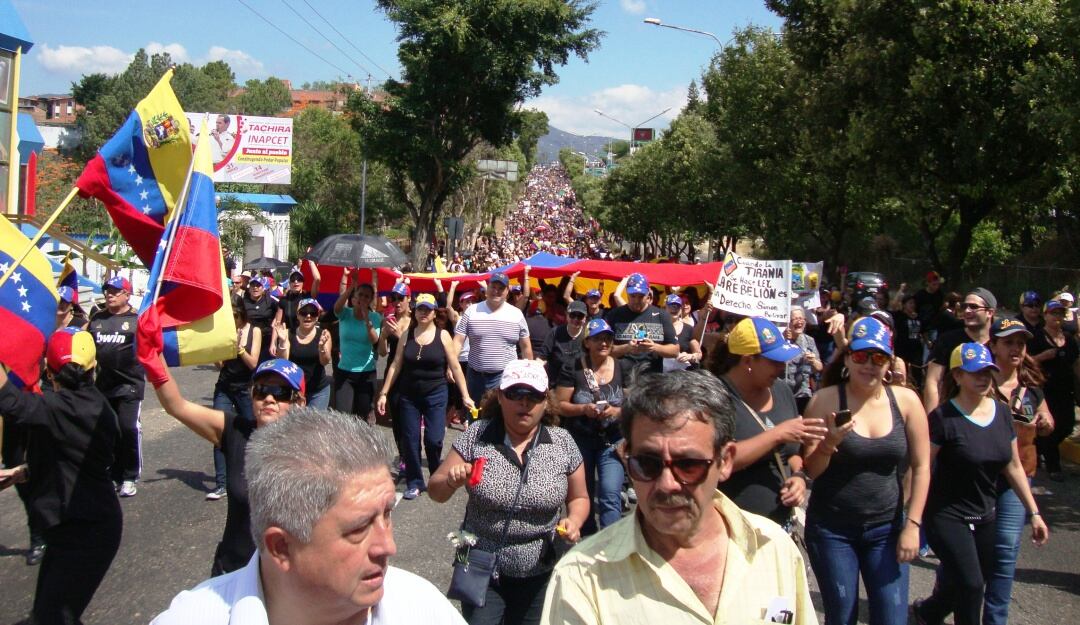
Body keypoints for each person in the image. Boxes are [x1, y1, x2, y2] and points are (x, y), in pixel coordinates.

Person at [541, 370, 816, 625]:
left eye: (689, 465)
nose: (667, 484)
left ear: (725, 461)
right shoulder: (582, 576)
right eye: (647, 464)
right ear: (626, 459)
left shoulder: (774, 549)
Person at [151, 408, 466, 625]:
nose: (388, 547)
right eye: (359, 528)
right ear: (281, 547)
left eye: (386, 514)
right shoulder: (194, 617)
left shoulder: (422, 608)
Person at [429, 360, 588, 625]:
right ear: (501, 396)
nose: (524, 403)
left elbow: (579, 498)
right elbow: (436, 491)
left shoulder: (562, 442)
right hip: (480, 564)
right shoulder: (477, 435)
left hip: (541, 568)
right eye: (515, 394)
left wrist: (574, 521)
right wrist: (451, 481)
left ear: (546, 401)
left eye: (534, 396)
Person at [801, 317, 931, 625]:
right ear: (847, 358)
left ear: (889, 361)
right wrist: (830, 442)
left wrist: (912, 524)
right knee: (842, 616)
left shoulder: (907, 401)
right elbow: (812, 471)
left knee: (892, 618)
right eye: (860, 356)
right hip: (832, 530)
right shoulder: (825, 401)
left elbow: (922, 465)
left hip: (886, 529)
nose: (869, 365)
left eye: (878, 357)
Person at [912, 343, 1049, 625]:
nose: (983, 377)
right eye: (975, 372)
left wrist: (1034, 513)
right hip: (947, 514)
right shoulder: (942, 418)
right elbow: (921, 466)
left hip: (985, 512)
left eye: (988, 371)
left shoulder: (1001, 413)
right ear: (958, 376)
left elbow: (1012, 466)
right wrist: (909, 518)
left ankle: (928, 612)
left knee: (967, 580)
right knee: (972, 585)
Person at [0, 328, 122, 625]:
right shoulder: (88, 404)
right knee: (46, 613)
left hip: (87, 531)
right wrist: (22, 472)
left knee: (54, 617)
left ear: (48, 370)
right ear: (94, 366)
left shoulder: (67, 408)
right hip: (72, 525)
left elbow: (12, 404)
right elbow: (72, 457)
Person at [149, 357, 307, 575]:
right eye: (261, 390)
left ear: (299, 403)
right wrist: (153, 356)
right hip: (232, 569)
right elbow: (176, 405)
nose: (269, 398)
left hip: (286, 581)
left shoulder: (313, 451)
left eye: (281, 393)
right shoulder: (236, 431)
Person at [706, 316, 827, 525]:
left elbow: (790, 454)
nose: (782, 367)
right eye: (774, 361)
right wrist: (777, 434)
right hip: (729, 528)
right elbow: (715, 461)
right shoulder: (713, 397)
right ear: (747, 361)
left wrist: (798, 476)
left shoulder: (782, 390)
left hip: (779, 527)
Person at [982, 318, 1055, 624]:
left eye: (1020, 344)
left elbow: (1046, 419)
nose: (1015, 349)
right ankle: (936, 605)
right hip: (978, 479)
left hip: (1019, 476)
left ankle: (995, 620)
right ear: (994, 345)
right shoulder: (978, 381)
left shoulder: (1030, 387)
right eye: (1008, 342)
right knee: (969, 554)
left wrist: (1046, 423)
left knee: (1005, 551)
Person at [376, 294, 474, 500]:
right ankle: (415, 481)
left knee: (434, 440)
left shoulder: (443, 335)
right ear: (415, 310)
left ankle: (436, 474)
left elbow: (455, 366)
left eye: (427, 309)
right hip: (409, 395)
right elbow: (395, 365)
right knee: (410, 440)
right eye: (420, 308)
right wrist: (384, 393)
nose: (423, 313)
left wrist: (465, 395)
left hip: (436, 394)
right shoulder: (407, 335)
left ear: (434, 312)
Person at [555, 319, 625, 535]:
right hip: (580, 441)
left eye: (607, 339)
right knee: (582, 495)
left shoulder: (623, 367)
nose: (604, 343)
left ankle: (610, 547)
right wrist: (584, 408)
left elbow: (634, 405)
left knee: (610, 495)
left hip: (612, 441)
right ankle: (586, 540)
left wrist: (616, 412)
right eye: (598, 339)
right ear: (587, 342)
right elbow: (559, 405)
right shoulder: (573, 367)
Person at [89, 275, 145, 498]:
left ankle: (130, 475)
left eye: (115, 291)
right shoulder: (96, 319)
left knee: (128, 428)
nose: (109, 295)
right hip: (104, 386)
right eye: (107, 291)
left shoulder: (136, 320)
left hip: (130, 385)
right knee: (109, 431)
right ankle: (114, 473)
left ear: (127, 294)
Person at [207, 298, 261, 501]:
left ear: (241, 315)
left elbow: (253, 363)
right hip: (224, 386)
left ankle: (251, 477)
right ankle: (221, 483)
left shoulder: (253, 331)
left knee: (250, 433)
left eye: (235, 316)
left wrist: (239, 348)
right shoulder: (224, 330)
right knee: (220, 432)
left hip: (245, 389)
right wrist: (216, 350)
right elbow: (220, 365)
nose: (232, 320)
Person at [454, 271, 533, 405]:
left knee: (502, 418)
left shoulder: (516, 314)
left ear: (507, 291)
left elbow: (526, 347)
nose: (496, 291)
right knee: (475, 417)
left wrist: (529, 374)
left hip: (505, 376)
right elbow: (458, 341)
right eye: (493, 287)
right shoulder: (471, 311)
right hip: (475, 376)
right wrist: (451, 365)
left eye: (501, 288)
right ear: (487, 288)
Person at [1026, 299, 1079, 481]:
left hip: (1066, 389)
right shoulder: (1037, 337)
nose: (1057, 317)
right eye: (1053, 313)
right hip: (1045, 389)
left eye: (1060, 314)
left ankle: (1040, 445)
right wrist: (1042, 356)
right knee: (1052, 425)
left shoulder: (1069, 340)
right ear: (1045, 315)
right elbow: (1026, 361)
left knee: (1067, 425)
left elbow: (1076, 364)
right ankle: (1053, 466)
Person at [922, 287, 996, 412]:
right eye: (964, 306)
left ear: (990, 312)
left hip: (989, 413)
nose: (967, 311)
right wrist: (932, 418)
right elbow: (933, 381)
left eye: (973, 307)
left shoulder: (1000, 343)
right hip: (952, 414)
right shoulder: (948, 340)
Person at [605, 273, 678, 377]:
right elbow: (604, 349)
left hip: (652, 381)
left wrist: (654, 347)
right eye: (633, 296)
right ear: (627, 293)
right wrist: (626, 348)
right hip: (622, 380)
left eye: (641, 296)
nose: (636, 300)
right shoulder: (614, 315)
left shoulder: (661, 315)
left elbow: (675, 350)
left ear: (648, 295)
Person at [333, 270, 382, 419]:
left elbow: (375, 340)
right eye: (360, 294)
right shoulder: (345, 314)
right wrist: (351, 286)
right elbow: (336, 308)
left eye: (367, 296)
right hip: (345, 372)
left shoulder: (375, 317)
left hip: (366, 373)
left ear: (371, 299)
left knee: (361, 417)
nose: (363, 298)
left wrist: (367, 319)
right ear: (355, 296)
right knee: (343, 416)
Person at [271, 298, 332, 409]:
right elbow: (282, 362)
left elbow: (325, 361)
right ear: (298, 315)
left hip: (318, 391)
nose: (308, 316)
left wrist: (322, 348)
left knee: (315, 425)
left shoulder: (323, 334)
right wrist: (283, 342)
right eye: (304, 313)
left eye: (312, 313)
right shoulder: (288, 333)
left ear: (317, 316)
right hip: (294, 390)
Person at [537, 299, 587, 384]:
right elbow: (542, 358)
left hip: (580, 384)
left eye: (580, 316)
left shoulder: (588, 335)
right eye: (572, 315)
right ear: (566, 315)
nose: (576, 319)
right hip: (556, 382)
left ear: (585, 318)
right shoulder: (555, 333)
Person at [783, 306, 822, 413]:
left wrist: (813, 361)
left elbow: (819, 367)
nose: (799, 322)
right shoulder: (780, 340)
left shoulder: (809, 341)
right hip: (783, 393)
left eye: (802, 319)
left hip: (802, 394)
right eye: (795, 319)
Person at [891, 293, 925, 391]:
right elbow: (893, 306)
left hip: (916, 347)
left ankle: (917, 389)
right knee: (902, 368)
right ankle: (901, 388)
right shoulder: (899, 316)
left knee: (917, 370)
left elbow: (922, 332)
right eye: (910, 303)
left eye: (913, 303)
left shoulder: (918, 317)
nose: (912, 305)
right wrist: (900, 291)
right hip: (902, 347)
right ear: (904, 304)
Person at [274, 260, 321, 331]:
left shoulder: (308, 296)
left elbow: (317, 279)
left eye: (299, 279)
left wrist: (311, 262)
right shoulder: (284, 300)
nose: (296, 281)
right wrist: (273, 342)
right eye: (293, 280)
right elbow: (278, 323)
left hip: (306, 336)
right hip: (290, 336)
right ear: (289, 283)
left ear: (303, 283)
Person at [242, 276, 279, 363]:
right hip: (250, 339)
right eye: (253, 285)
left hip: (267, 338)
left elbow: (282, 309)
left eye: (258, 285)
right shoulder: (243, 302)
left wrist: (276, 320)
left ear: (263, 288)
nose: (255, 287)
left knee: (266, 365)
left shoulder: (270, 300)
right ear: (249, 288)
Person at [662, 293, 703, 372]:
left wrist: (690, 356)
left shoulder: (688, 329)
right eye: (671, 306)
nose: (674, 308)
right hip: (661, 375)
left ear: (681, 309)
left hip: (682, 376)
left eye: (678, 306)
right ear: (664, 308)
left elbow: (699, 354)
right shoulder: (657, 326)